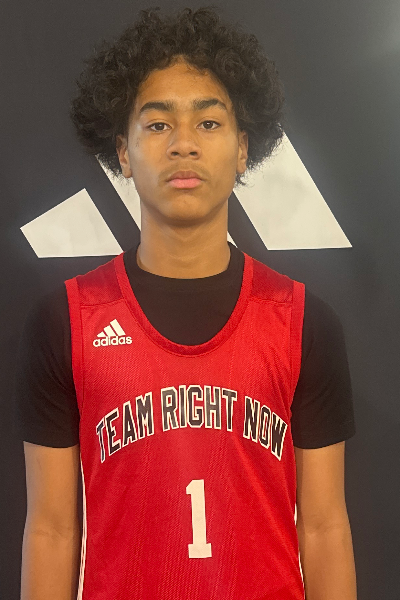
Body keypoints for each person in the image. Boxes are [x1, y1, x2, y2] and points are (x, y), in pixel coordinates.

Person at [15, 5, 357, 599]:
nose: (183, 145)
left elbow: (325, 527)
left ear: (243, 149)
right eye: (157, 125)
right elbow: (51, 529)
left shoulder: (303, 322)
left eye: (208, 122)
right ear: (122, 153)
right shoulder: (66, 321)